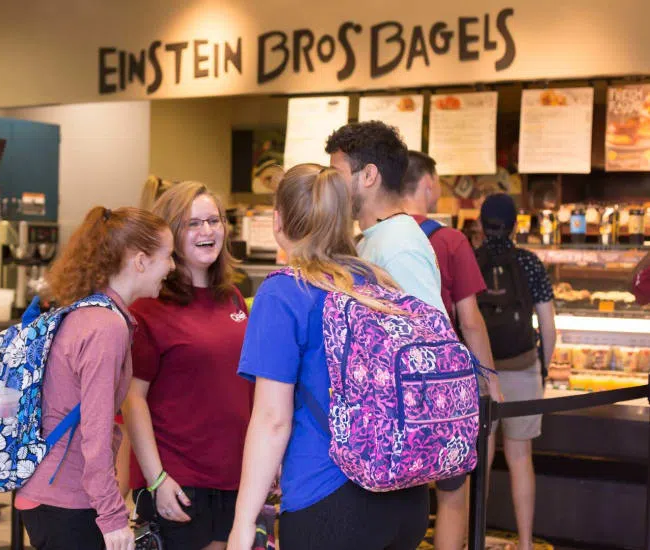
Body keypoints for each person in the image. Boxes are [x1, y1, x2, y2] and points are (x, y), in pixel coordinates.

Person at [227, 166, 428, 550]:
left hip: (328, 500)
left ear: (278, 220)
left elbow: (272, 421)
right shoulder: (379, 282)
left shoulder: (284, 293)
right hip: (404, 495)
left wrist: (243, 521)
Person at [16, 205, 175, 550]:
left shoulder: (89, 311)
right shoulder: (107, 327)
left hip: (49, 493)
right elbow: (96, 431)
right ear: (140, 260)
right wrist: (112, 516)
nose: (172, 267)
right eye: (168, 256)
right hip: (67, 501)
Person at [123, 181, 252, 550]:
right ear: (171, 234)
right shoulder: (148, 307)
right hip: (178, 479)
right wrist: (156, 479)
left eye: (214, 220)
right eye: (193, 224)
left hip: (234, 476)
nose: (207, 231)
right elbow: (132, 401)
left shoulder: (233, 297)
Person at [400, 150, 502, 549]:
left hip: (392, 382)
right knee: (452, 493)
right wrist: (491, 383)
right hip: (443, 386)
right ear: (427, 183)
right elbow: (471, 320)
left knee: (397, 489)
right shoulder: (450, 240)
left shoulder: (371, 238)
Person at [479, 194, 556, 550]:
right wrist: (541, 367)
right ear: (514, 226)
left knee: (480, 459)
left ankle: (476, 537)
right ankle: (525, 543)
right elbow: (548, 324)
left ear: (481, 224)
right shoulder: (529, 262)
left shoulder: (469, 259)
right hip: (523, 368)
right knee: (521, 458)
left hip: (480, 374)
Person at [325, 121, 446, 314]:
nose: (331, 186)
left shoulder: (398, 247)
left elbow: (432, 334)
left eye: (337, 175)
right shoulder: (376, 237)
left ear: (369, 175)